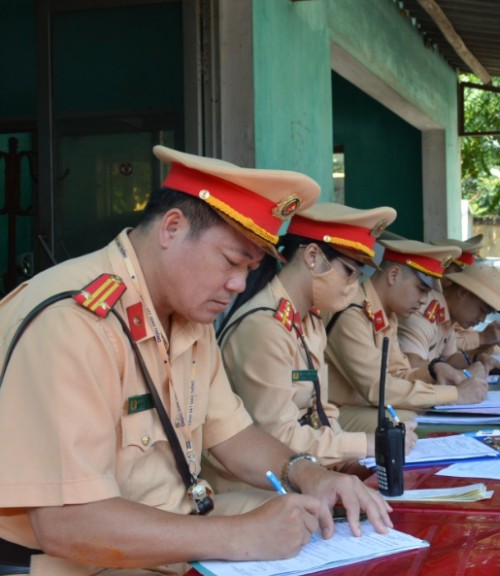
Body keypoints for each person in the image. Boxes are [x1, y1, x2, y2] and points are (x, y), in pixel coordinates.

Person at [0, 146, 392, 575]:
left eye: (251, 267)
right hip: (83, 559)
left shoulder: (187, 313)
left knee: (326, 529)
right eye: (230, 261)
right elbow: (67, 523)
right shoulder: (73, 322)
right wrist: (240, 536)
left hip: (176, 528)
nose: (238, 284)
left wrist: (308, 472)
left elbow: (233, 435)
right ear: (171, 228)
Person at [211, 203, 417, 492]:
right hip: (257, 486)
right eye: (349, 272)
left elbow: (322, 410)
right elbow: (277, 438)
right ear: (312, 256)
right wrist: (365, 444)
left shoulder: (310, 320)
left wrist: (345, 461)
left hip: (302, 472)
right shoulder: (264, 327)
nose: (353, 285)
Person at [324, 238, 489, 433]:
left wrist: (433, 372)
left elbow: (397, 374)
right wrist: (454, 394)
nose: (424, 300)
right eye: (421, 289)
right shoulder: (352, 312)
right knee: (408, 424)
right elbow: (377, 388)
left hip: (361, 406)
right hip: (331, 413)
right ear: (393, 275)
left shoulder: (386, 314)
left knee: (417, 415)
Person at [398, 263, 500, 378]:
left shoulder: (447, 315)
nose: (482, 319)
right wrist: (462, 375)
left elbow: (449, 358)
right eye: (482, 310)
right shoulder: (424, 312)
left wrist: (479, 359)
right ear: (462, 293)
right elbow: (413, 365)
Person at [431, 235, 500, 355]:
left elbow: (451, 348)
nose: (460, 281)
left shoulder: (453, 305)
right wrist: (483, 338)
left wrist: (488, 342)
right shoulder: (428, 302)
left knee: (494, 352)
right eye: (459, 271)